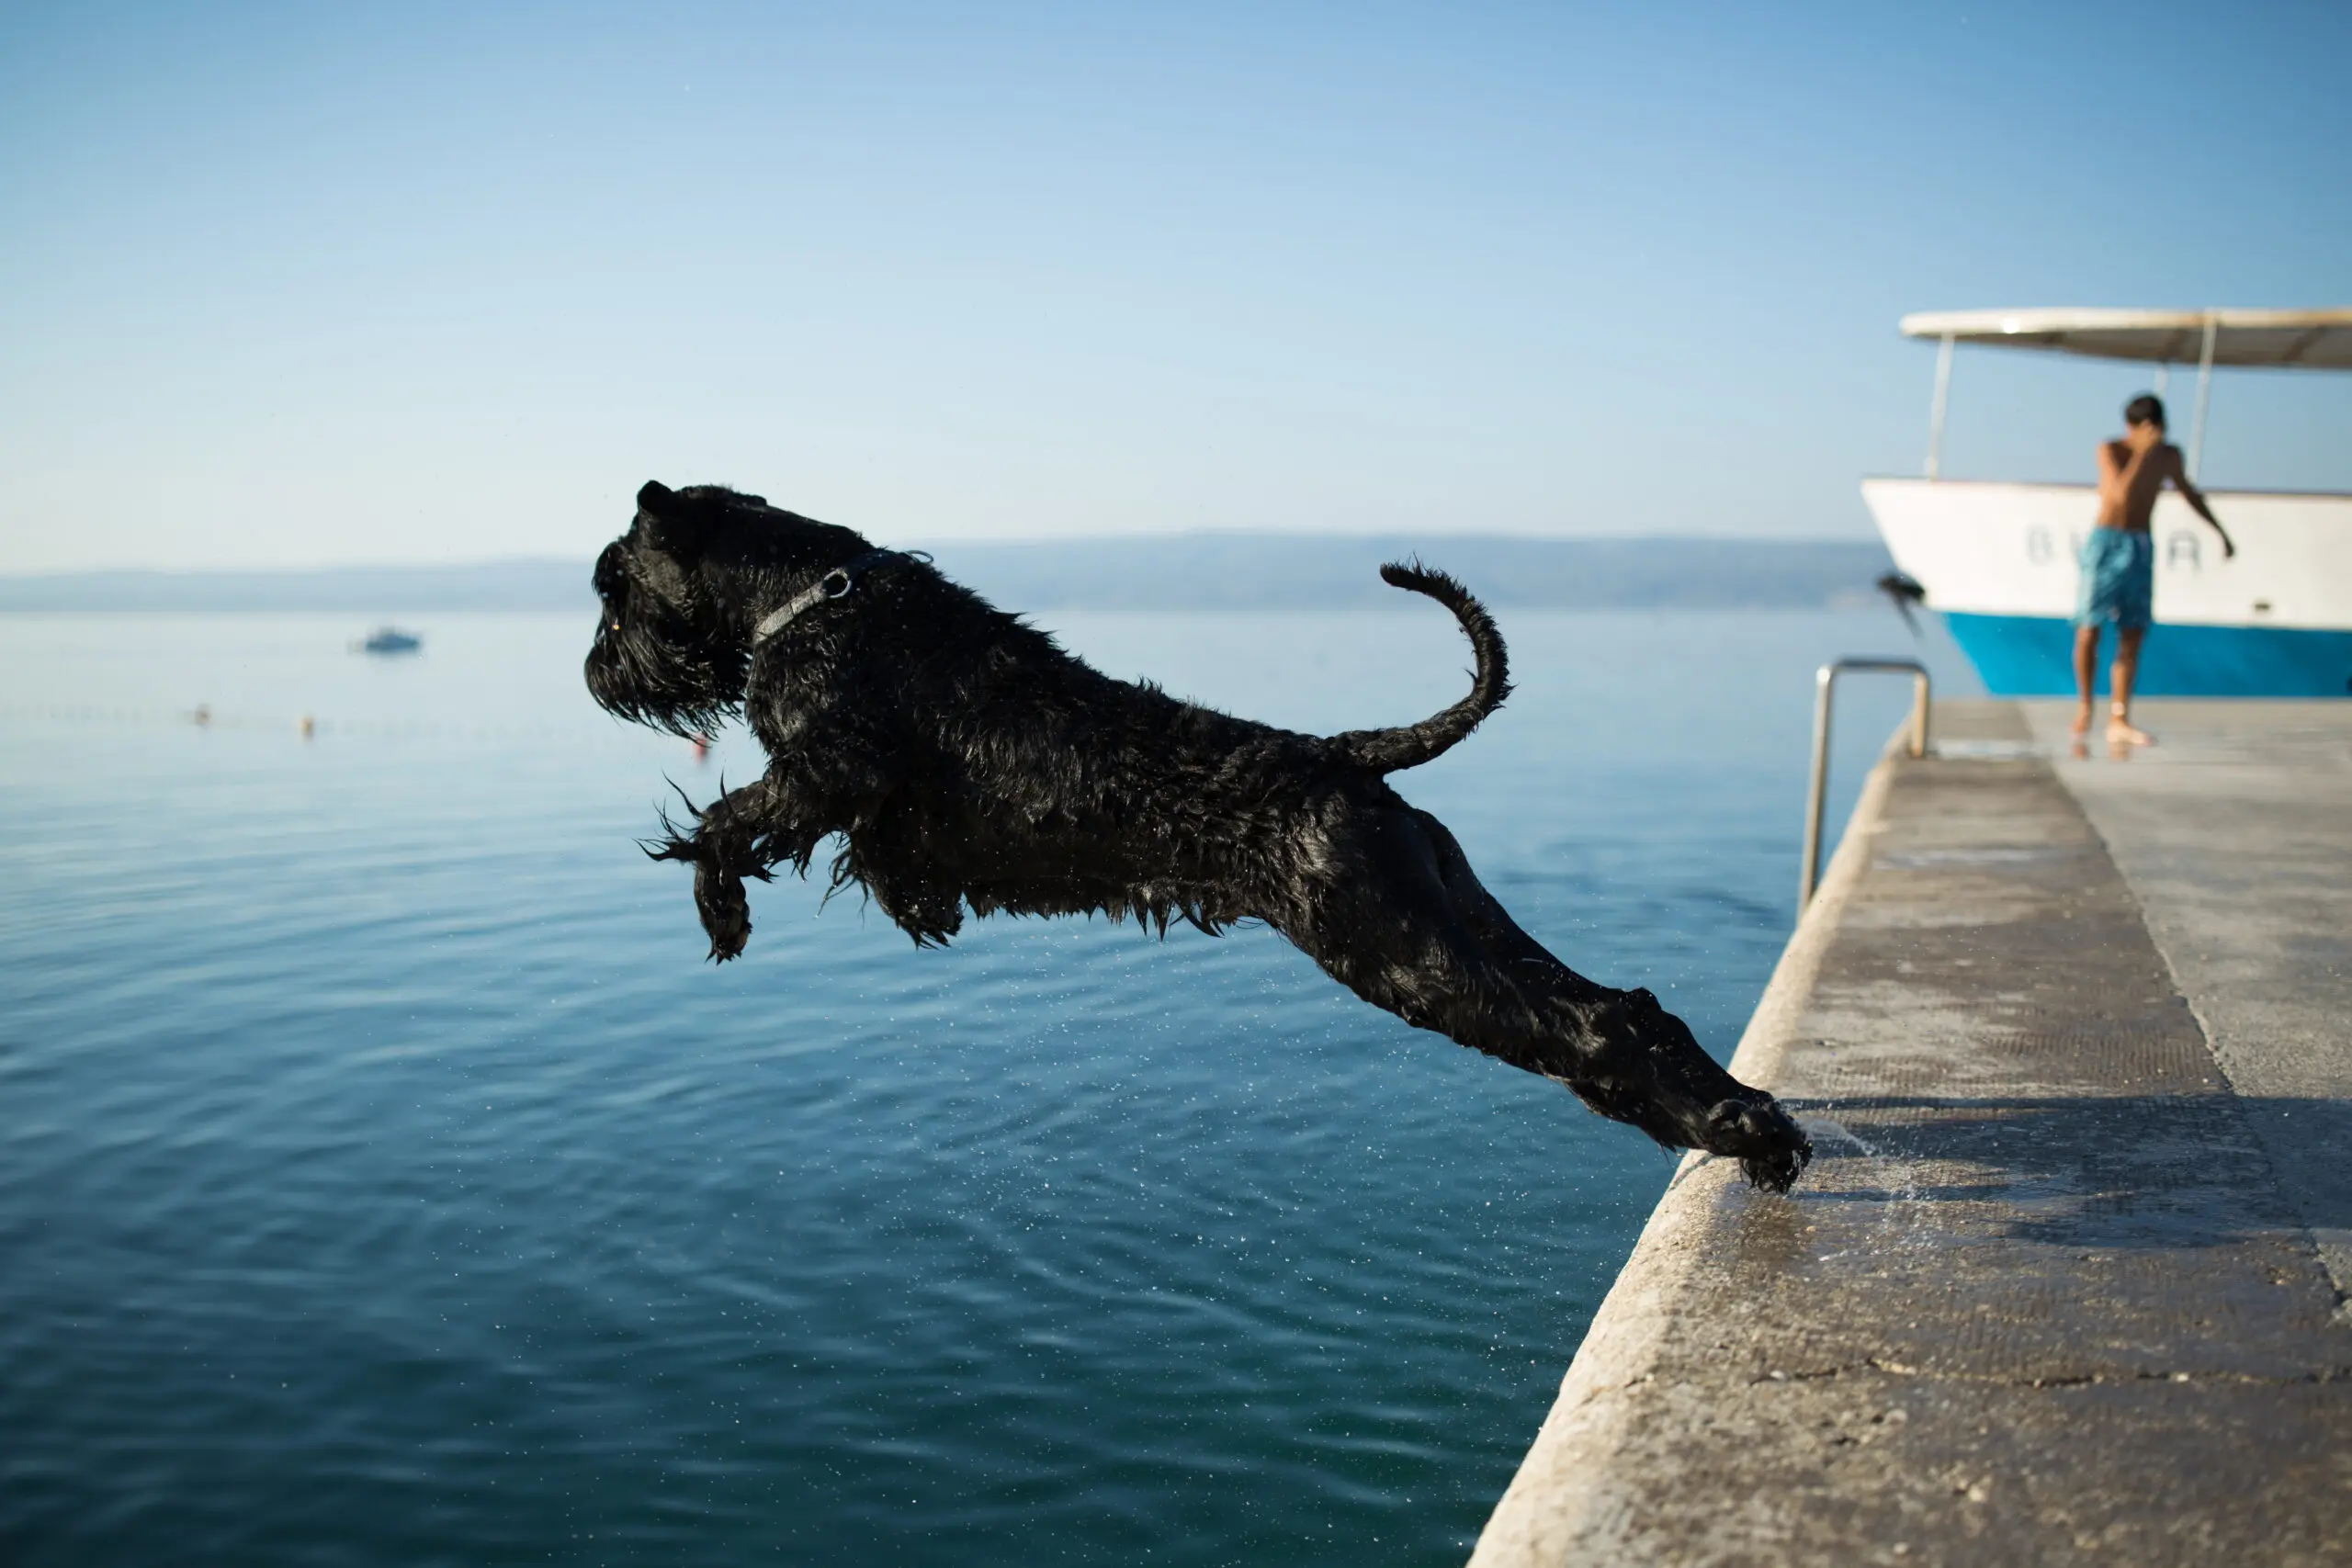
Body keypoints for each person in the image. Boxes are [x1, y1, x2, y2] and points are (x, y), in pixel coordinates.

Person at [2075, 393, 2233, 746]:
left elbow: (2189, 493)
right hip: (2107, 541)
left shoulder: (2169, 455)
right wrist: (2142, 454)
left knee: (2133, 631)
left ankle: (2119, 717)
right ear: (2133, 428)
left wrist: (2220, 532)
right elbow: (2119, 497)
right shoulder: (2112, 450)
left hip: (2141, 544)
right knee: (2089, 627)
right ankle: (2085, 704)